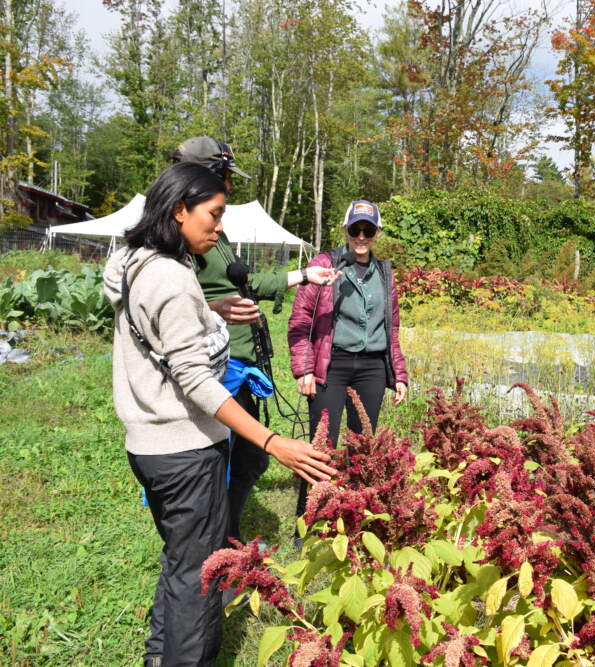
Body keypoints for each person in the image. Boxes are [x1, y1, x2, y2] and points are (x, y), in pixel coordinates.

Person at [103, 162, 337, 667]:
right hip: (185, 448)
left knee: (182, 565)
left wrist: (212, 312)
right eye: (213, 214)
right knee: (202, 579)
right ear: (178, 209)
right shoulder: (168, 275)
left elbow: (164, 333)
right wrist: (274, 442)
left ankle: (159, 657)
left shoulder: (137, 262)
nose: (219, 225)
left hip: (149, 446)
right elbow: (194, 379)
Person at [171, 136, 337, 543]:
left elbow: (242, 284)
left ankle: (226, 537)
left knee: (247, 461)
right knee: (230, 461)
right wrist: (214, 310)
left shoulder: (214, 231)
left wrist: (301, 276)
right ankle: (218, 545)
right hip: (214, 367)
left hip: (240, 361)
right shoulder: (180, 239)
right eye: (226, 176)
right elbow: (169, 305)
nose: (230, 186)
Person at [288, 200, 409, 518]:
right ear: (346, 230)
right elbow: (301, 318)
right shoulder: (325, 263)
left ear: (377, 233)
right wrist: (303, 369)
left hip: (370, 368)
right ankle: (309, 516)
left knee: (363, 445)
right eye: (355, 229)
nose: (360, 236)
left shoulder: (384, 272)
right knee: (321, 443)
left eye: (367, 230)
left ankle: (355, 514)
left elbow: (391, 327)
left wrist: (398, 374)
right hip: (332, 365)